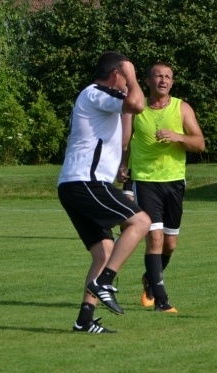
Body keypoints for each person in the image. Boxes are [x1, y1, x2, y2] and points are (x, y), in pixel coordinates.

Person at [57, 51, 150, 334]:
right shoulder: (94, 92)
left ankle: (84, 320)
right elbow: (137, 103)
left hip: (78, 184)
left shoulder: (106, 100)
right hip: (85, 181)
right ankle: (105, 281)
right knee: (141, 221)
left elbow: (124, 137)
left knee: (104, 251)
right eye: (125, 77)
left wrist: (129, 103)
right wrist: (131, 77)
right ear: (116, 75)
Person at [121, 62, 205, 313]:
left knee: (170, 244)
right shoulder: (136, 109)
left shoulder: (182, 108)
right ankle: (162, 300)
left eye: (168, 77)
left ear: (172, 83)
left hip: (174, 182)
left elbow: (200, 143)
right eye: (158, 76)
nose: (164, 80)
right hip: (145, 182)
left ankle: (149, 278)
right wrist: (122, 166)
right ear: (147, 81)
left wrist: (179, 137)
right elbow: (124, 141)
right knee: (154, 238)